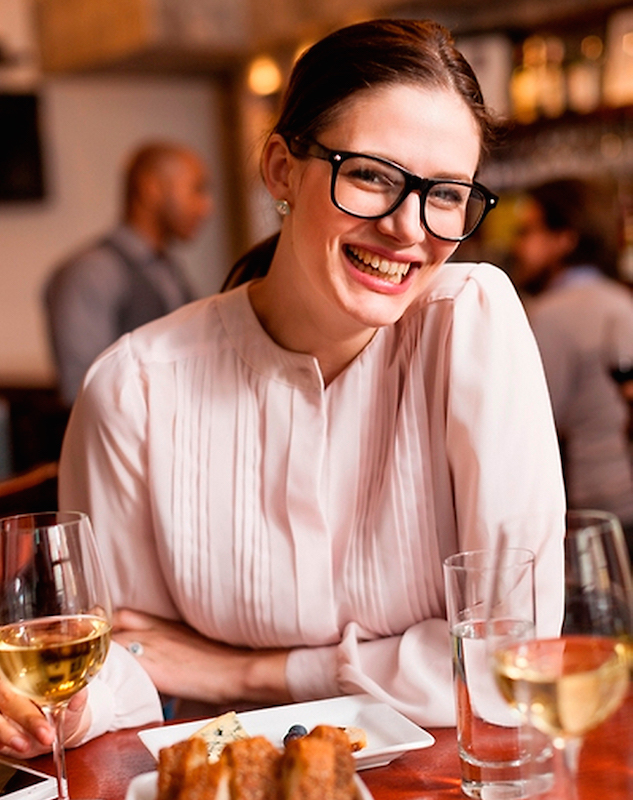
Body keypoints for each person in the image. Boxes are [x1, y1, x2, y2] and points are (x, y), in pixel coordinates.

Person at [0, 18, 565, 758]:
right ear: (279, 169)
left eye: (447, 194)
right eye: (370, 175)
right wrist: (57, 711)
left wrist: (239, 673)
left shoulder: (472, 323)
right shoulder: (133, 389)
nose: (408, 228)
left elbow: (504, 667)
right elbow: (125, 667)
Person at [512, 177, 633, 556]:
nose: (519, 246)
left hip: (590, 506)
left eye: (528, 232)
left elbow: (535, 420)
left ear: (565, 238)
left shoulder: (551, 315)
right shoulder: (621, 299)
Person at [43, 141, 213, 407]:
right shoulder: (92, 271)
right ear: (151, 188)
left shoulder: (168, 269)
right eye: (196, 189)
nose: (206, 206)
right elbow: (85, 388)